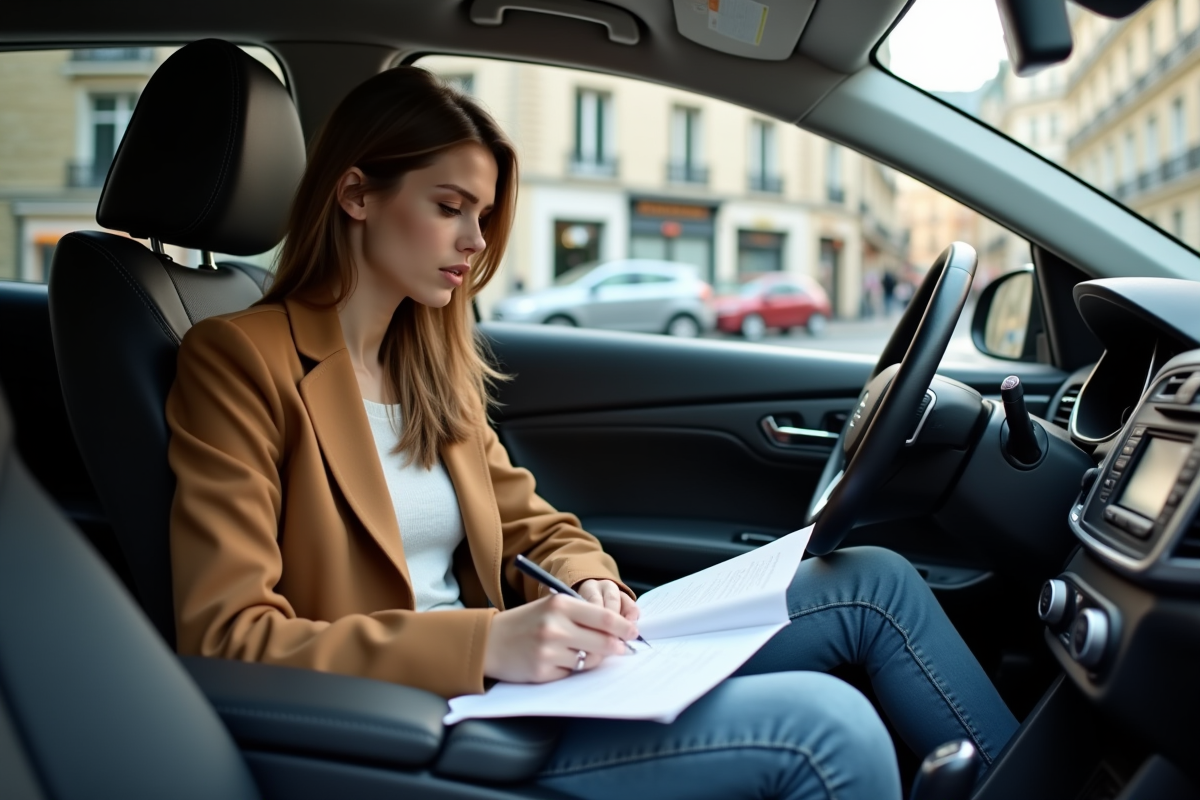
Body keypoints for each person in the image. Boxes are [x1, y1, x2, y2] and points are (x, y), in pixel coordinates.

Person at [166, 67, 1018, 800]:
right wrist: (487, 641)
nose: (476, 241)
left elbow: (540, 528)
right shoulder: (240, 359)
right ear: (356, 194)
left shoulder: (424, 361)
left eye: (485, 213)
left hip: (525, 678)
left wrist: (589, 582)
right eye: (450, 207)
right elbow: (227, 635)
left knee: (872, 581)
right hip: (419, 718)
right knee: (829, 728)